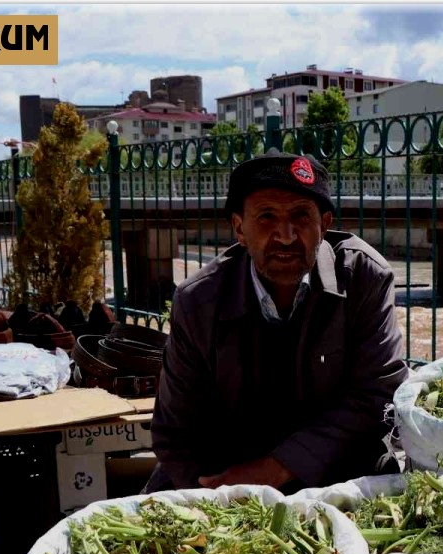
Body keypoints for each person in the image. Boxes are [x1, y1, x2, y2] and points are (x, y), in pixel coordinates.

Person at [145, 149, 408, 494]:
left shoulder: (364, 278)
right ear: (240, 229)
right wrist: (222, 497)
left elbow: (378, 395)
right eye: (266, 217)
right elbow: (174, 434)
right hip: (228, 478)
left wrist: (273, 470)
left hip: (340, 474)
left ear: (324, 225)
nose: (285, 235)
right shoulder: (198, 302)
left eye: (300, 216)